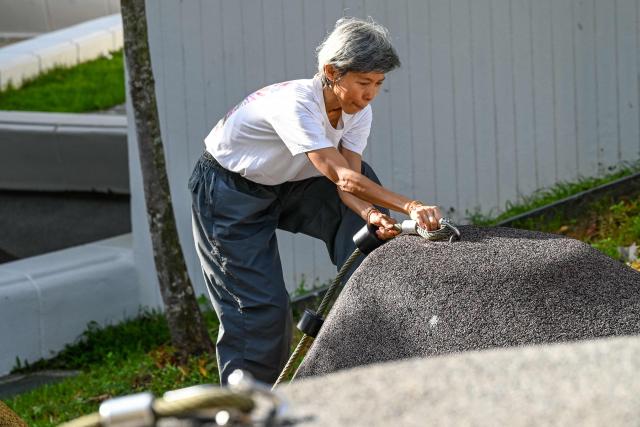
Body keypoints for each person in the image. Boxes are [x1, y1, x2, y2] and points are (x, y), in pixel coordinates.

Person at [189, 17, 442, 385]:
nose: (370, 94)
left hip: (292, 181)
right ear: (331, 72)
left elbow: (350, 187)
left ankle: (376, 329)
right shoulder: (294, 104)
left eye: (378, 84)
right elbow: (341, 176)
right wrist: (412, 207)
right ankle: (250, 409)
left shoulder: (358, 112)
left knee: (366, 197)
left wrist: (372, 214)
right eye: (363, 83)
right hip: (230, 190)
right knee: (262, 310)